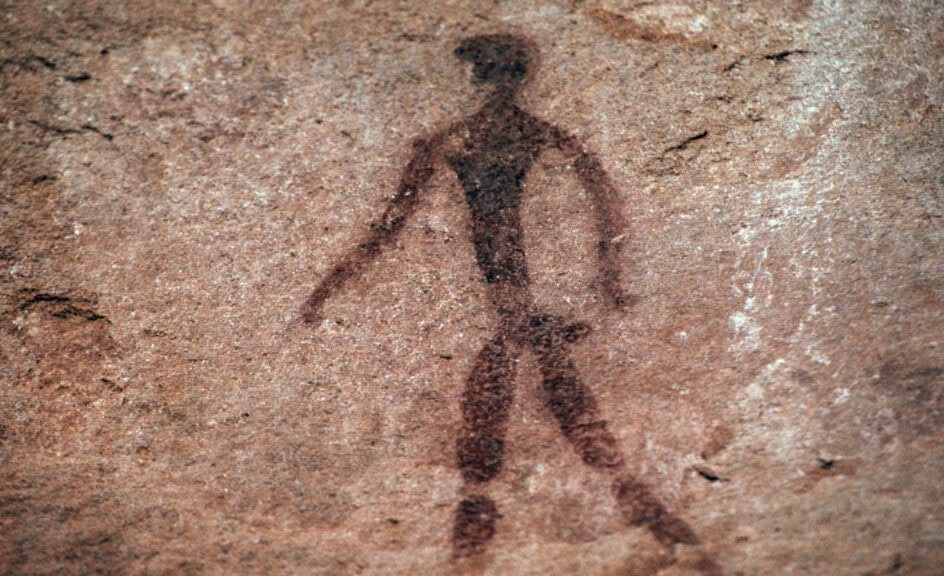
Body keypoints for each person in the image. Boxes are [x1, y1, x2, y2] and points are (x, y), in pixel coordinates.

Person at [302, 33, 711, 567]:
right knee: (544, 405)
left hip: (511, 304)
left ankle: (477, 544)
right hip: (518, 305)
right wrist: (607, 280)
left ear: (476, 76)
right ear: (519, 78)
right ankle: (644, 519)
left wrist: (328, 287)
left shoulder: (452, 140)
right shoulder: (544, 136)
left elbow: (388, 226)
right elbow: (605, 207)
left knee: (503, 426)